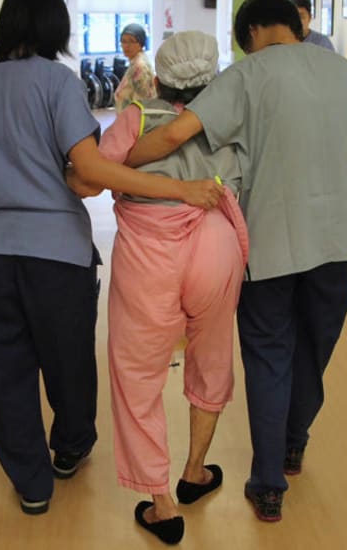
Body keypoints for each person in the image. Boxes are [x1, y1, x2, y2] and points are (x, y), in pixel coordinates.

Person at [0, 0, 223, 518]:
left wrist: (13, 167)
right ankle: (70, 448)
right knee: (68, 357)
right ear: (56, 28)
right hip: (57, 253)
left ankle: (31, 484)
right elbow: (92, 174)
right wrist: (176, 189)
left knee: (7, 368)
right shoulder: (59, 82)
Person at [126, 0, 347, 523]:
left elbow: (176, 133)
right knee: (314, 348)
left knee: (268, 356)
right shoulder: (344, 71)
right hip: (335, 242)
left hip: (271, 242)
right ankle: (294, 440)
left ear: (253, 30)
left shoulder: (246, 75)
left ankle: (268, 482)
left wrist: (122, 158)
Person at [92, 31, 248, 545]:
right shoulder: (232, 120)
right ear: (214, 72)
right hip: (215, 241)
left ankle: (161, 504)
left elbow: (96, 172)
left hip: (149, 249)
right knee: (212, 355)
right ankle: (195, 471)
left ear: (158, 77)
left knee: (136, 370)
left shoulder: (138, 117)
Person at [113, 23, 157, 113]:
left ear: (141, 43)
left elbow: (143, 101)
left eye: (132, 41)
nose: (127, 45)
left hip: (136, 121)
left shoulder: (139, 66)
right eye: (123, 41)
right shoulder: (135, 62)